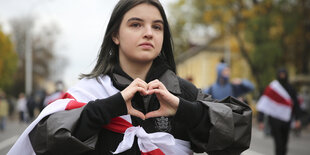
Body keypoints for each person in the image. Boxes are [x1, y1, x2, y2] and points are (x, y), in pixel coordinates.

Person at [8, 1, 252, 154]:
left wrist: (184, 109)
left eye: (157, 27)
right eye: (136, 25)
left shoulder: (183, 92)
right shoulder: (90, 92)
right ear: (115, 35)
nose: (148, 33)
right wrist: (110, 107)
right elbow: (45, 140)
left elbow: (238, 131)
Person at [257, 68, 302, 155]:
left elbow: (295, 105)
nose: (282, 76)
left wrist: (297, 119)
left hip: (286, 119)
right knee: (278, 142)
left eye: (283, 74)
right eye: (280, 74)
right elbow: (264, 103)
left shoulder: (290, 88)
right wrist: (260, 120)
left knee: (285, 142)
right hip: (274, 119)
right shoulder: (273, 88)